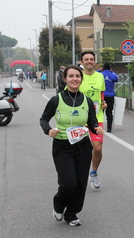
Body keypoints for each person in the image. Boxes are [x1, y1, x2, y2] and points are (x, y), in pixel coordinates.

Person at [40, 65, 104, 227]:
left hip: (82, 146)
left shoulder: (87, 101)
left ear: (81, 80)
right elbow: (43, 119)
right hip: (62, 146)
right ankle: (59, 204)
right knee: (69, 183)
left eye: (77, 76)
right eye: (71, 76)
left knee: (81, 183)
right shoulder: (57, 100)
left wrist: (96, 127)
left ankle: (72, 213)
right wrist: (49, 130)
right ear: (65, 79)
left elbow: (91, 122)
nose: (75, 79)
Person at [78, 51, 107, 189]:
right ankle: (79, 175)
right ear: (81, 62)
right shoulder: (78, 76)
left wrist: (103, 103)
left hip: (97, 118)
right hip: (79, 118)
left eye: (91, 59)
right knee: (80, 150)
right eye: (86, 59)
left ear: (94, 61)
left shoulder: (100, 76)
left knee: (97, 148)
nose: (89, 61)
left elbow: (101, 94)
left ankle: (93, 172)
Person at [101, 63, 118, 132]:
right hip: (110, 95)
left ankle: (99, 126)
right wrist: (112, 71)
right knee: (109, 112)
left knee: (100, 112)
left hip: (102, 96)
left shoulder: (100, 74)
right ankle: (109, 128)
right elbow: (117, 78)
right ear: (110, 68)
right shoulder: (113, 75)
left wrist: (100, 70)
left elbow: (95, 73)